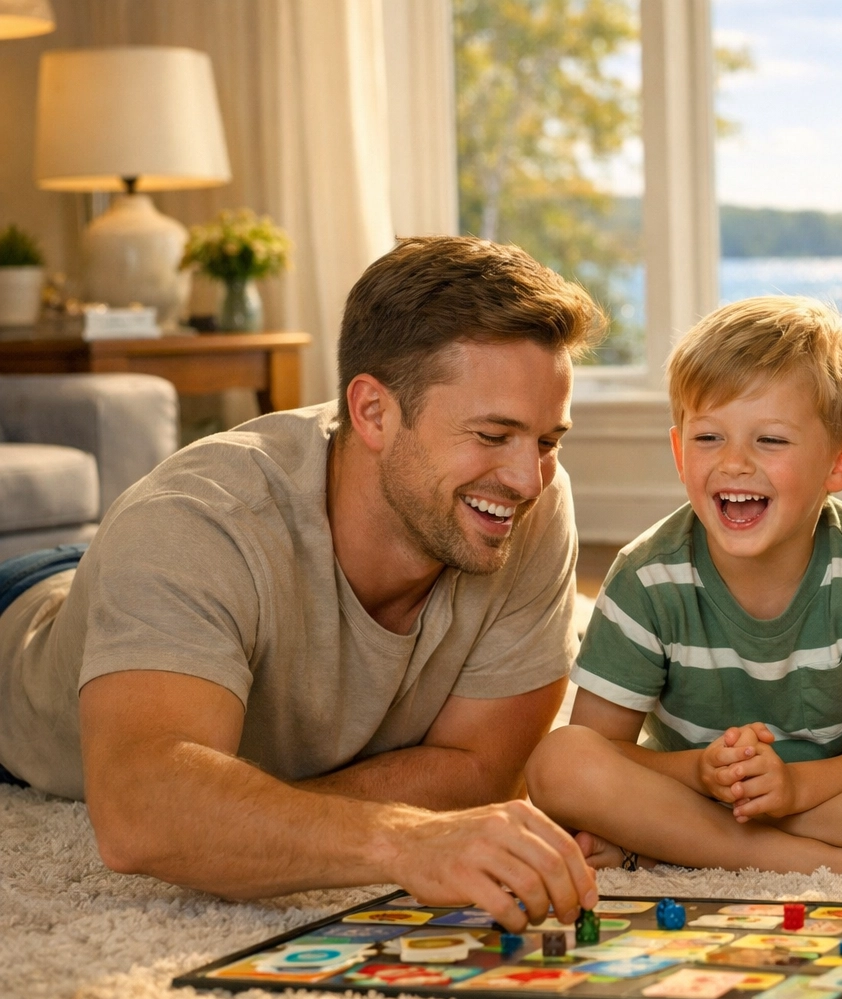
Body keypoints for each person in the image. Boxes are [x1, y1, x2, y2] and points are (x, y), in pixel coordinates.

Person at [0, 236, 602, 931]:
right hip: (28, 615)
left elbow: (483, 771)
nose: (528, 477)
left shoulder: (528, 505)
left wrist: (244, 812)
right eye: (493, 435)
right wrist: (401, 837)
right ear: (374, 412)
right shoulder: (193, 520)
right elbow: (140, 813)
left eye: (548, 440)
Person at [526, 296, 842, 873]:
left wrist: (796, 789)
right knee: (557, 762)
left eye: (770, 441)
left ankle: (678, 844)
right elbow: (598, 750)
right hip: (695, 787)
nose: (733, 464)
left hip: (834, 790)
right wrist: (700, 772)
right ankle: (833, 861)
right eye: (708, 439)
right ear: (679, 452)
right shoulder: (647, 575)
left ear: (840, 465)